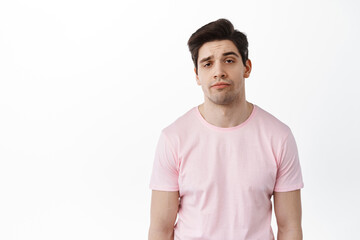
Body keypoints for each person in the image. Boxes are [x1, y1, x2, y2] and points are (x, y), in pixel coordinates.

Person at [148, 18, 304, 240]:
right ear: (197, 75)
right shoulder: (173, 138)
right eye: (208, 63)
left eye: (229, 60)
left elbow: (289, 228)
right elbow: (160, 230)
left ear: (246, 67)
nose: (218, 71)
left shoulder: (279, 137)